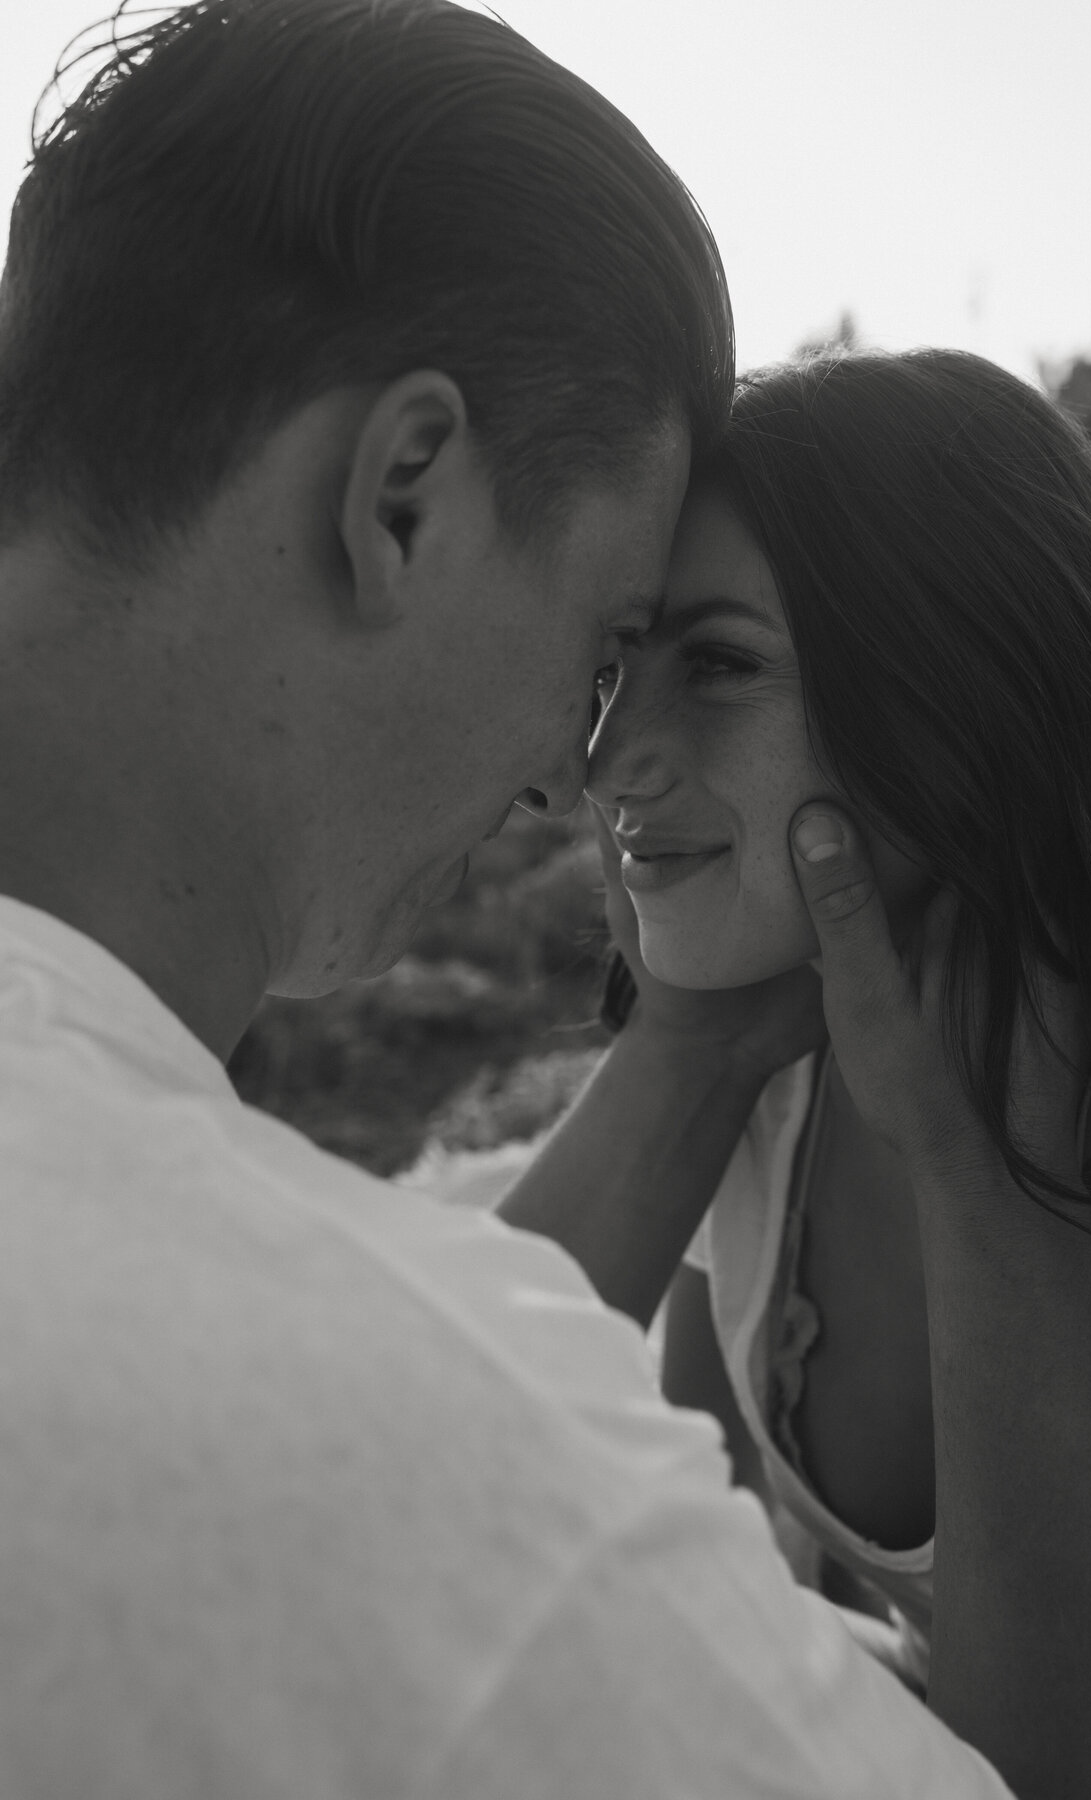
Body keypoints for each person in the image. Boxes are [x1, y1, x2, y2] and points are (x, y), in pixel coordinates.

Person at [0, 2, 1018, 1795]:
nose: (578, 769)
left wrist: (699, 1060)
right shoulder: (411, 1471)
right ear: (402, 497)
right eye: (613, 638)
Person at [501, 348, 1091, 1798]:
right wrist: (693, 1047)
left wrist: (980, 1178)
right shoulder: (774, 1079)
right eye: (619, 665)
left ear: (969, 707)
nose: (608, 758)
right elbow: (454, 1485)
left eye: (721, 665)